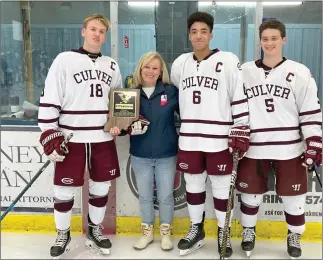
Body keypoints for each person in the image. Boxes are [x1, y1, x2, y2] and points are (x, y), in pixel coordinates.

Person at [38, 14, 122, 258]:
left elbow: (118, 102)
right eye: (93, 29)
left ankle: (95, 229)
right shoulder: (64, 60)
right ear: (84, 31)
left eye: (102, 31)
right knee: (63, 192)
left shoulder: (112, 65)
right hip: (71, 138)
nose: (97, 34)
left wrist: (121, 123)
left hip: (102, 138)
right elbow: (50, 96)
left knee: (101, 187)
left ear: (105, 36)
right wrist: (49, 132)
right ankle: (63, 233)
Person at [237, 19, 322, 259]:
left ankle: (294, 236)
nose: (269, 43)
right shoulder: (244, 71)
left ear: (284, 39)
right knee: (250, 196)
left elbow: (310, 111)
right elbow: (235, 106)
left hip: (289, 148)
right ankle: (248, 232)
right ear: (260, 42)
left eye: (274, 38)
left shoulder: (300, 72)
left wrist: (313, 142)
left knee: (293, 198)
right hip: (253, 149)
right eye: (265, 39)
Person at [170, 11, 250, 258]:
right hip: (190, 137)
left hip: (219, 138)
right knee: (193, 185)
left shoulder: (227, 60)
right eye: (194, 31)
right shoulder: (179, 64)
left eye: (203, 31)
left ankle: (222, 232)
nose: (198, 35)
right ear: (189, 35)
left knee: (221, 188)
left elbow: (239, 95)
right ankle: (197, 230)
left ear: (211, 34)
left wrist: (241, 126)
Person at [110, 51, 179, 251]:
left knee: (166, 195)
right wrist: (118, 129)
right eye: (146, 67)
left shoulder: (171, 91)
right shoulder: (130, 94)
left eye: (154, 68)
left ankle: (165, 233)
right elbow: (122, 124)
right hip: (140, 154)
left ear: (160, 72)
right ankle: (147, 232)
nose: (150, 71)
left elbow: (187, 116)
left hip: (166, 153)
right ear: (140, 69)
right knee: (145, 196)